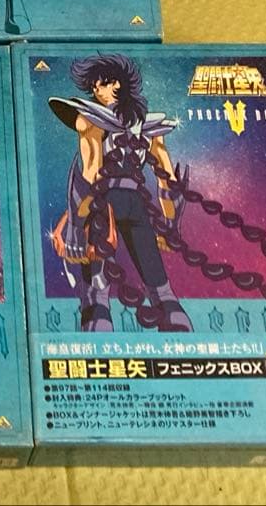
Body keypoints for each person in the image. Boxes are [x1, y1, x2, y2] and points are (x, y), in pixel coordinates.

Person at [48, 53, 192, 332]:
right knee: (140, 259)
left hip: (109, 201)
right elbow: (167, 179)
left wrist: (77, 228)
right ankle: (170, 312)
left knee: (110, 262)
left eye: (101, 84)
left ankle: (100, 315)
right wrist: (171, 222)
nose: (96, 91)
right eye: (93, 86)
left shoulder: (93, 121)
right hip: (131, 201)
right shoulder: (148, 125)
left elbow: (90, 173)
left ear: (118, 84)